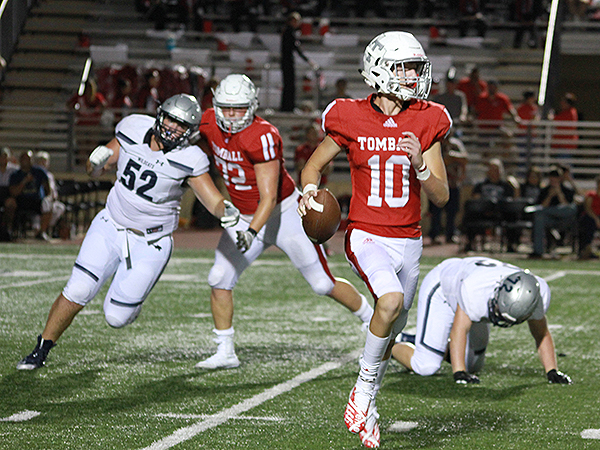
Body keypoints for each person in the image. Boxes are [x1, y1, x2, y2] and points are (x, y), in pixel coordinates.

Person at [298, 31, 451, 448]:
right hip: (365, 234)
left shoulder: (427, 117)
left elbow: (441, 196)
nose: (414, 76)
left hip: (410, 239)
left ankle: (369, 405)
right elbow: (312, 168)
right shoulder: (349, 115)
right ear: (380, 69)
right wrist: (308, 193)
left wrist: (421, 164)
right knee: (389, 302)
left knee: (390, 329)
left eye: (416, 68)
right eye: (406, 67)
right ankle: (362, 394)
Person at [16, 94, 241, 370]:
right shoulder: (132, 128)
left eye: (182, 125)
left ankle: (131, 303)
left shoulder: (190, 158)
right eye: (170, 119)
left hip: (151, 241)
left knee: (116, 317)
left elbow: (212, 199)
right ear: (160, 115)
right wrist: (95, 162)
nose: (173, 127)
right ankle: (41, 348)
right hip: (110, 224)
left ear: (190, 132)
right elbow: (94, 171)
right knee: (78, 288)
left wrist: (226, 212)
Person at [195, 74, 374, 370]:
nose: (230, 115)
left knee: (321, 283)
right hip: (243, 215)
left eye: (238, 108)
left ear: (252, 107)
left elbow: (267, 197)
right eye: (225, 107)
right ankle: (225, 350)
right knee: (219, 278)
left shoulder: (262, 135)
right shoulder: (208, 122)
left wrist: (252, 231)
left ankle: (370, 318)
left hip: (282, 212)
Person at [391, 257, 572, 385]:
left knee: (474, 365)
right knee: (426, 366)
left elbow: (541, 333)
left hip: (471, 283)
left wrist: (552, 371)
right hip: (443, 289)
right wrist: (459, 373)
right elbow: (459, 331)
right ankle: (390, 344)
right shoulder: (476, 291)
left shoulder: (536, 294)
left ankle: (423, 341)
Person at [462, 158, 516, 252]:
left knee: (513, 216)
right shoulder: (480, 185)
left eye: (496, 169)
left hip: (500, 214)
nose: (494, 172)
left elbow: (510, 202)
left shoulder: (506, 186)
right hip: (483, 213)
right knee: (470, 215)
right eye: (492, 169)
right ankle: (469, 242)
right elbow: (475, 199)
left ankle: (511, 244)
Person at [529, 166, 578, 258]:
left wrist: (559, 193)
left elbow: (567, 207)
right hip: (550, 219)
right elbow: (541, 206)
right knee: (539, 216)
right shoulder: (544, 191)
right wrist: (550, 196)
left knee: (571, 209)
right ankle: (538, 251)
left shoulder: (567, 190)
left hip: (565, 219)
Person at [428, 133, 468, 245]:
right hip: (436, 182)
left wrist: (452, 156)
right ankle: (434, 235)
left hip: (453, 183)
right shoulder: (435, 144)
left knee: (452, 212)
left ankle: (450, 234)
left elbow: (464, 158)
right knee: (436, 212)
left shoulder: (455, 144)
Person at [9, 150, 53, 241]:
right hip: (22, 201)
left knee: (47, 204)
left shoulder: (39, 171)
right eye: (23, 159)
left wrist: (45, 194)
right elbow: (13, 192)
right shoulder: (15, 175)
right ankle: (9, 231)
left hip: (36, 200)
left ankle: (42, 232)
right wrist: (24, 181)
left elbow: (47, 188)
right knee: (11, 204)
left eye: (27, 159)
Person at [280, 12, 318, 112]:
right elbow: (297, 49)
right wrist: (308, 60)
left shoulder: (287, 31)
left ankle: (287, 106)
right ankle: (288, 107)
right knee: (289, 85)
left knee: (289, 84)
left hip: (286, 61)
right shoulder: (290, 32)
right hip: (287, 61)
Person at [34, 151, 66, 239]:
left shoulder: (50, 175)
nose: (43, 163)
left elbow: (53, 191)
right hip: (39, 201)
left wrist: (54, 197)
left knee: (60, 207)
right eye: (41, 161)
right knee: (46, 205)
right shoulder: (34, 174)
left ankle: (46, 227)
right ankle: (40, 230)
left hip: (51, 200)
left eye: (45, 161)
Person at [578, 175, 600, 259]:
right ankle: (587, 248)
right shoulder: (591, 195)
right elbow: (588, 209)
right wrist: (596, 219)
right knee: (589, 222)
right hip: (591, 217)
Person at [551, 92, 579, 158]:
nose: (561, 103)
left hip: (566, 145)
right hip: (561, 144)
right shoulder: (566, 112)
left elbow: (557, 120)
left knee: (564, 165)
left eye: (564, 102)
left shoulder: (571, 112)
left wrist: (552, 117)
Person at [0, 146, 18, 240]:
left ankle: (8, 228)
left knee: (11, 204)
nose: (3, 159)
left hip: (8, 195)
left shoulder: (14, 170)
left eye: (5, 156)